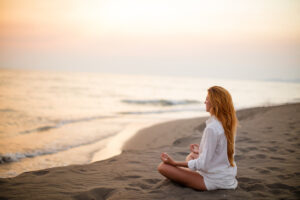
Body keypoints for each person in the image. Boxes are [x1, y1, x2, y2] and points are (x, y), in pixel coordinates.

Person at [157, 86, 238, 191]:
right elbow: (221, 152)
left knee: (163, 167)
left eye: (207, 99)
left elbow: (203, 164)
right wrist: (201, 151)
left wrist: (174, 163)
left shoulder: (212, 128)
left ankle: (185, 174)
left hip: (214, 180)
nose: (205, 102)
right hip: (226, 175)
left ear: (214, 103)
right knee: (192, 155)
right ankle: (187, 172)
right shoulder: (227, 123)